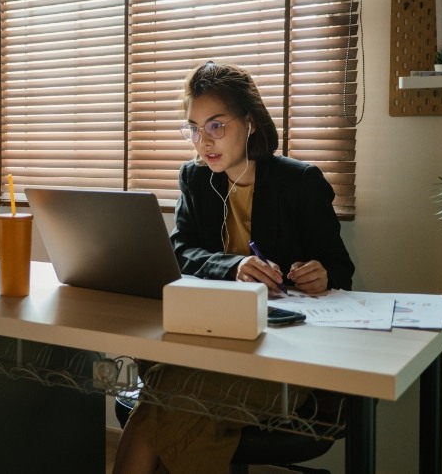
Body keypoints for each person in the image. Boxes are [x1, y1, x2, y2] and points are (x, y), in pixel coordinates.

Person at [112, 62, 355, 474]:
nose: (202, 141)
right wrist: (235, 266)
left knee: (167, 396)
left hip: (279, 355)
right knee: (177, 395)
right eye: (193, 127)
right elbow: (180, 252)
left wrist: (323, 274)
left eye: (216, 126)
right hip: (209, 342)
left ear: (251, 122)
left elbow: (341, 269)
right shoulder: (195, 177)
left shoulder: (300, 182)